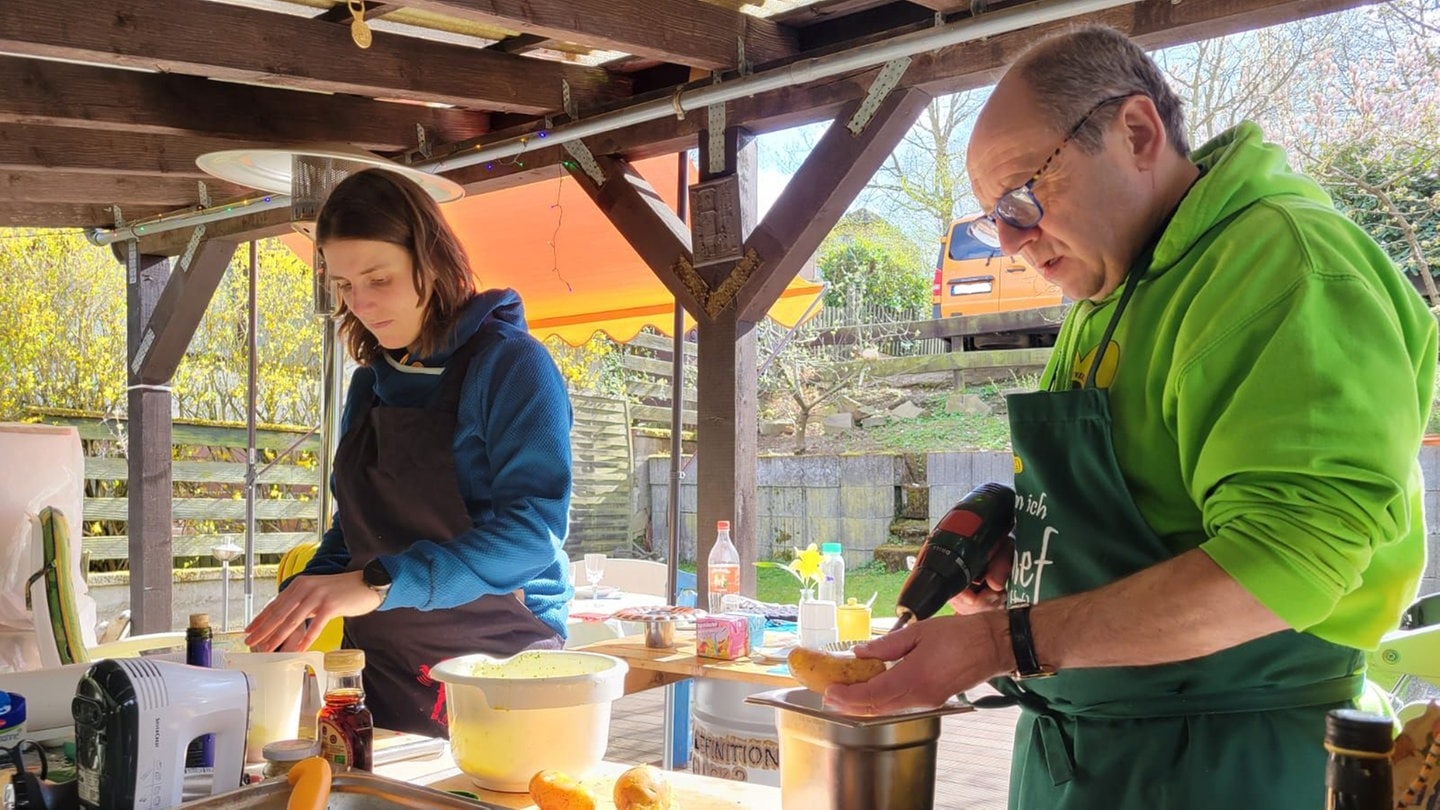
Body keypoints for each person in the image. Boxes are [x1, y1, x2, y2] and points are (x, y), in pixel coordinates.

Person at [827, 24, 1439, 808]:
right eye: (993, 219)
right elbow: (1143, 516)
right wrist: (1037, 561)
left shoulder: (1283, 268)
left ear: (1138, 132)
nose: (1012, 242)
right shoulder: (1111, 287)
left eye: (1023, 196)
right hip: (1082, 757)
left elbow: (1285, 564)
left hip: (1226, 763)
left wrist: (1000, 641)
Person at [245, 168, 574, 737]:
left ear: (432, 262)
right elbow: (356, 532)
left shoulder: (513, 367)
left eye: (379, 278)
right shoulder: (369, 385)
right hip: (381, 667)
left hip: (499, 664)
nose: (362, 304)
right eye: (345, 285)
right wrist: (304, 598)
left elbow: (531, 535)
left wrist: (376, 583)